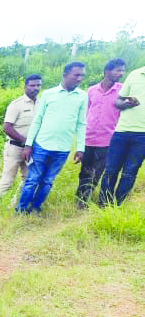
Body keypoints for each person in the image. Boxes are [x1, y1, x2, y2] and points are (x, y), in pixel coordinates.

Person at [16, 62, 88, 214]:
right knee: (32, 180)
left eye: (82, 75)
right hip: (42, 146)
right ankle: (21, 210)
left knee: (48, 181)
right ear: (65, 75)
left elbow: (81, 124)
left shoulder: (82, 96)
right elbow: (38, 120)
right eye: (76, 75)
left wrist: (80, 148)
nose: (80, 78)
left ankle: (35, 208)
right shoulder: (49, 94)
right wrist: (29, 145)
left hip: (63, 149)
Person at [0, 74, 43, 213]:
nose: (35, 88)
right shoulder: (16, 104)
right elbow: (7, 127)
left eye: (38, 85)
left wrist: (31, 145)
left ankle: (14, 206)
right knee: (7, 180)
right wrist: (25, 142)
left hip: (31, 150)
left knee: (28, 180)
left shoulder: (41, 103)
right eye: (32, 85)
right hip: (15, 148)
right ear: (25, 86)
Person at [75, 59, 126, 207]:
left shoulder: (122, 91)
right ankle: (81, 198)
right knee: (85, 170)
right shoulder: (91, 90)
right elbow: (85, 112)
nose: (121, 73)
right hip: (88, 138)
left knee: (97, 172)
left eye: (123, 70)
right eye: (118, 70)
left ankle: (84, 200)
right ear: (107, 71)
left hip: (108, 140)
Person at [99, 64, 145, 206]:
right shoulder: (135, 74)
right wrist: (127, 103)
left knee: (130, 172)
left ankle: (118, 205)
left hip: (142, 136)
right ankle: (103, 204)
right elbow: (118, 101)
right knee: (111, 169)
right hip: (121, 132)